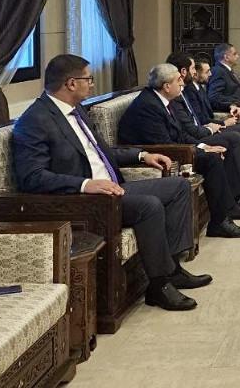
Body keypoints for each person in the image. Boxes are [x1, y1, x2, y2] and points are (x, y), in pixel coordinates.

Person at [12, 54, 211, 311]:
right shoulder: (35, 120)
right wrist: (85, 184)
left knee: (178, 187)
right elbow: (32, 177)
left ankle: (172, 270)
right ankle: (159, 285)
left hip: (113, 187)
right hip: (84, 200)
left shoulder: (77, 111)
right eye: (88, 79)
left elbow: (102, 151)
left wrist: (142, 155)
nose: (92, 84)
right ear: (71, 83)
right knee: (149, 206)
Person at [119, 63, 240, 239]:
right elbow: (164, 144)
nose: (182, 83)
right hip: (157, 154)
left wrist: (203, 146)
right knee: (211, 160)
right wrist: (201, 151)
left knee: (213, 154)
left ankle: (228, 210)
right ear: (166, 86)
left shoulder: (163, 100)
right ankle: (220, 221)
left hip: (172, 148)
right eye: (178, 80)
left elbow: (180, 134)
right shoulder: (149, 106)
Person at [166, 52, 240, 199]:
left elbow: (204, 113)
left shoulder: (192, 88)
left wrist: (228, 110)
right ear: (184, 71)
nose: (209, 74)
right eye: (193, 69)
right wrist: (218, 126)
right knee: (237, 136)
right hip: (196, 137)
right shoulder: (181, 93)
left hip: (203, 129)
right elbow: (192, 126)